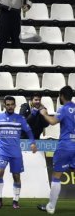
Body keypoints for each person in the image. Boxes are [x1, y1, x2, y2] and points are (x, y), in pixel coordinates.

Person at [0, 96, 37, 209]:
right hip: (2, 151)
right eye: (7, 104)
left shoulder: (20, 119)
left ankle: (15, 201)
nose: (9, 106)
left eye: (11, 104)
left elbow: (28, 131)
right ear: (4, 105)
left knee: (16, 176)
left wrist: (32, 142)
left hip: (16, 153)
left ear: (15, 105)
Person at [37, 86, 75, 214]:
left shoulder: (63, 109)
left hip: (65, 146)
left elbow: (53, 121)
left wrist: (44, 114)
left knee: (56, 176)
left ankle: (51, 207)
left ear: (62, 96)